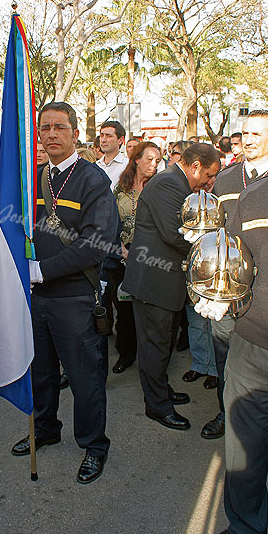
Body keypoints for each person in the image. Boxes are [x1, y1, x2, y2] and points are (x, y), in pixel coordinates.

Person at [206, 90, 268, 534]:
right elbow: (236, 260)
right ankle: (244, 525)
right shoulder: (256, 191)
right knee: (243, 449)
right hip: (251, 350)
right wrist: (220, 295)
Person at [12, 102, 118, 485]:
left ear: (75, 133)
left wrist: (44, 269)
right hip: (36, 298)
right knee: (40, 372)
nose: (51, 134)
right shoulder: (34, 179)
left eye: (60, 127)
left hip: (74, 296)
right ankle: (45, 429)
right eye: (45, 128)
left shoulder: (92, 179)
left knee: (84, 378)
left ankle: (93, 445)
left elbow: (97, 242)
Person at [122, 142, 221, 431]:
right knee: (155, 346)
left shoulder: (175, 183)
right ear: (195, 167)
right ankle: (157, 406)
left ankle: (161, 391)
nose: (211, 182)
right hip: (155, 281)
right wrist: (212, 246)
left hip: (164, 281)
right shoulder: (169, 184)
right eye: (210, 175)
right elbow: (176, 235)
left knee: (162, 343)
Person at [200, 109, 268, 441]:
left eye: (256, 134)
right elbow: (215, 229)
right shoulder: (226, 177)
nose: (248, 140)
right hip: (228, 287)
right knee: (226, 353)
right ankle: (226, 412)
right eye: (245, 134)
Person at [111, 142, 161, 373]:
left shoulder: (160, 188)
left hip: (151, 257)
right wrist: (121, 248)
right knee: (124, 312)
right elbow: (110, 221)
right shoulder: (120, 188)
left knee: (150, 312)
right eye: (149, 159)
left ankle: (151, 361)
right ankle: (126, 354)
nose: (153, 164)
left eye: (157, 160)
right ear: (136, 159)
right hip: (123, 257)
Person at [96, 120, 128, 190]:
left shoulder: (128, 166)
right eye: (102, 135)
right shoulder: (95, 166)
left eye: (108, 136)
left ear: (120, 140)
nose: (103, 140)